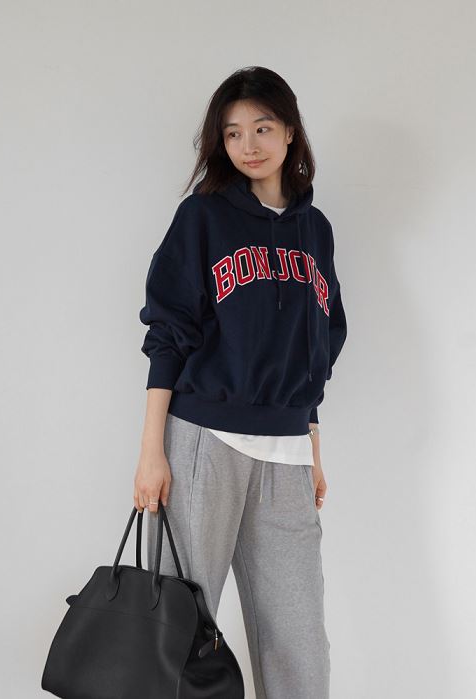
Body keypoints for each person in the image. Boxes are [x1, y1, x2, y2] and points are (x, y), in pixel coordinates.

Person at [135, 65, 347, 699]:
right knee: (180, 626)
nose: (248, 145)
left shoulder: (316, 230)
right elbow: (169, 333)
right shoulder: (202, 218)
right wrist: (151, 452)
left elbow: (319, 343)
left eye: (262, 127)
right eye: (232, 133)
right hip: (204, 440)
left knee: (298, 637)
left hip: (287, 451)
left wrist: (311, 445)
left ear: (290, 132)